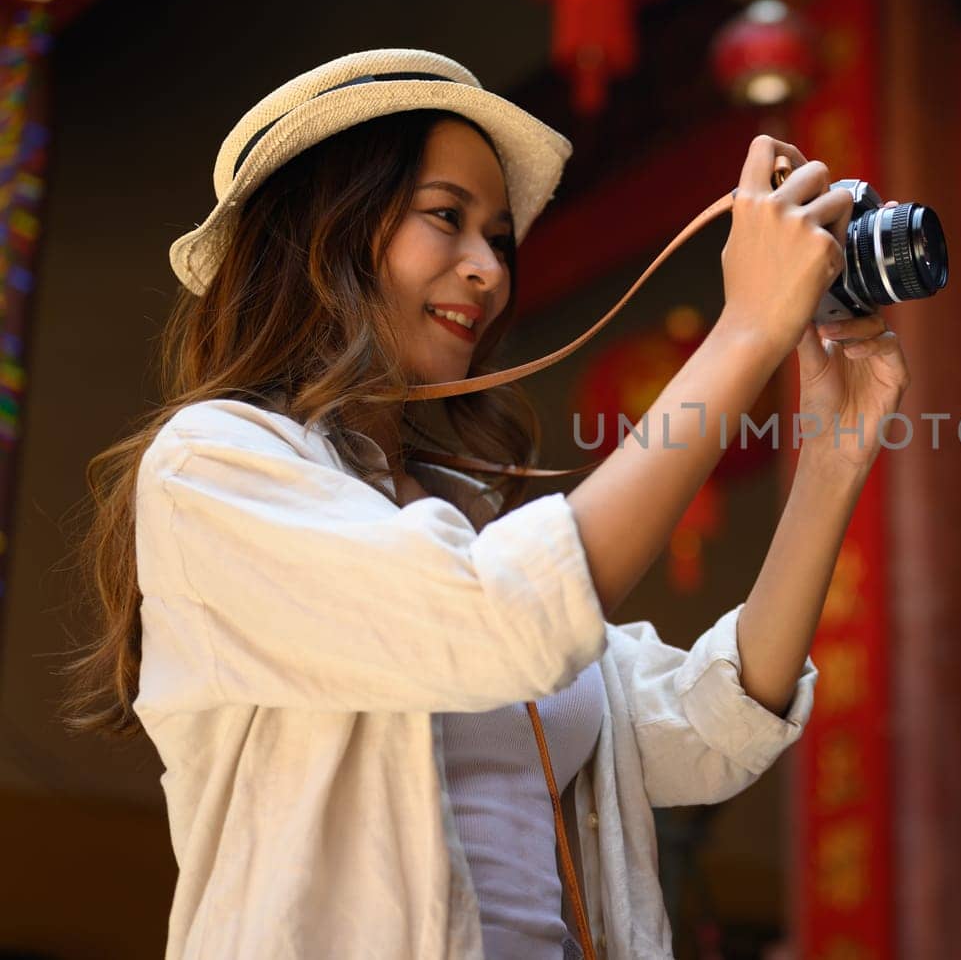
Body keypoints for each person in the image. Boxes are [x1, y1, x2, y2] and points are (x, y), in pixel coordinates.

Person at [61, 49, 910, 960]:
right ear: (324, 237)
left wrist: (829, 458)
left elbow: (707, 726)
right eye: (445, 219)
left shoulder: (471, 518)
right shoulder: (212, 467)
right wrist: (744, 332)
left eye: (498, 238)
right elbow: (500, 611)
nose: (488, 270)